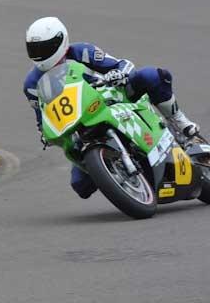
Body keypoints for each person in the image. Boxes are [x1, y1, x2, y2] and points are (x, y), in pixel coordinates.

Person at [23, 16, 200, 199]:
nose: (39, 54)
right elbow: (42, 116)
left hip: (112, 97)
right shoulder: (31, 84)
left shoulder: (82, 51)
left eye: (44, 48)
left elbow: (122, 64)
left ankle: (179, 122)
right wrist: (45, 134)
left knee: (151, 76)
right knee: (80, 186)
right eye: (34, 49)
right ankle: (120, 172)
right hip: (79, 122)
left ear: (61, 41)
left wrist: (119, 74)